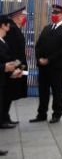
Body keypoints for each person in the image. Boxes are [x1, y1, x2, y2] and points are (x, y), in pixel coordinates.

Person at [31, 4, 62, 124]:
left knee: (57, 92)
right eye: (53, 13)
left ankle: (57, 114)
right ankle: (41, 114)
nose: (54, 15)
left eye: (57, 13)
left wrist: (48, 60)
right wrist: (39, 58)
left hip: (57, 67)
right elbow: (38, 45)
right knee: (43, 91)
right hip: (43, 67)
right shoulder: (47, 28)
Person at [1, 14, 26, 156]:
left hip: (13, 66)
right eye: (22, 15)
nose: (9, 27)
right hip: (9, 69)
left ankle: (5, 117)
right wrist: (15, 66)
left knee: (8, 95)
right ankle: (3, 118)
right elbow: (11, 54)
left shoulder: (13, 31)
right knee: (7, 95)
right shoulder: (10, 33)